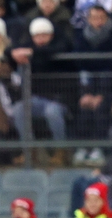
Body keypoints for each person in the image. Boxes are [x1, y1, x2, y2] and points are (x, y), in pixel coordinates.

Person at [10, 17, 73, 159]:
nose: (41, 39)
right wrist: (14, 53)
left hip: (58, 99)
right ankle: (29, 150)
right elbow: (10, 50)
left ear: (51, 35)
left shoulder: (60, 45)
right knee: (18, 109)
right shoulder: (29, 46)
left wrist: (31, 52)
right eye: (37, 36)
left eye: (44, 35)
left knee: (52, 112)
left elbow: (56, 49)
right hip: (36, 99)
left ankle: (61, 151)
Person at [73, 4, 112, 167]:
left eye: (101, 17)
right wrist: (87, 93)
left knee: (101, 109)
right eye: (94, 17)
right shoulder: (82, 35)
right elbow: (80, 61)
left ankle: (99, 148)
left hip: (109, 83)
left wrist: (100, 95)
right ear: (88, 19)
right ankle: (82, 148)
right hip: (89, 80)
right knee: (84, 108)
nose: (97, 21)